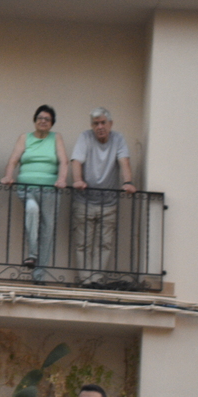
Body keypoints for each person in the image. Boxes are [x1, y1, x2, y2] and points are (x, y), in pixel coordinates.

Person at [0, 105, 67, 282]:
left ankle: (39, 275)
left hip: (50, 191)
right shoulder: (25, 138)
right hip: (27, 189)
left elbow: (63, 161)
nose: (43, 121)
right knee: (32, 211)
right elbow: (13, 160)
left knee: (47, 230)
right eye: (40, 118)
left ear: (52, 123)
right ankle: (32, 253)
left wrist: (61, 179)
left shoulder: (56, 138)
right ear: (34, 120)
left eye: (47, 119)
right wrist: (8, 176)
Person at [69, 108, 136, 284]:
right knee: (83, 243)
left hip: (109, 203)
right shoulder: (85, 137)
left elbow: (124, 161)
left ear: (110, 124)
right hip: (84, 200)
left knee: (104, 243)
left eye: (103, 122)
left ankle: (97, 280)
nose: (99, 127)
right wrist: (77, 180)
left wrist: (127, 182)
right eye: (95, 123)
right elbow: (76, 161)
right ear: (91, 126)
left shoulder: (118, 138)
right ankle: (85, 281)